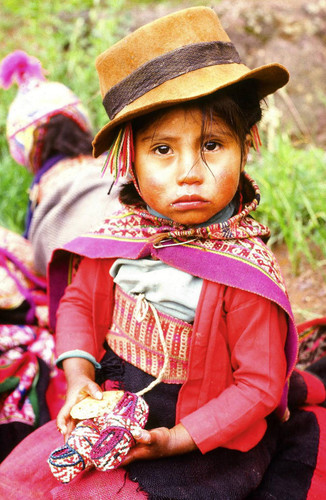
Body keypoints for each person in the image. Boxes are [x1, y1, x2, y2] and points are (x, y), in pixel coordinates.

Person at [0, 6, 326, 499]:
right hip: (115, 403)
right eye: (162, 150)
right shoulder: (115, 238)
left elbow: (259, 385)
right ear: (128, 160)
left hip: (203, 435)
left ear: (246, 146)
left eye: (213, 144)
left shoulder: (244, 273)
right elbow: (80, 305)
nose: (190, 171)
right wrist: (79, 377)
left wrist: (177, 439)